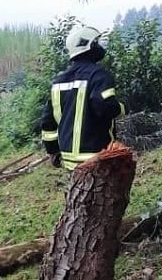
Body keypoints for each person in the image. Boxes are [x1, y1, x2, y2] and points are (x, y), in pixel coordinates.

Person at [40, 25, 127, 171]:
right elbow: (105, 107)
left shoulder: (58, 82)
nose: (99, 46)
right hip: (99, 158)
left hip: (69, 162)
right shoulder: (98, 75)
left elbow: (47, 123)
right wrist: (121, 108)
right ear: (88, 45)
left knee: (79, 193)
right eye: (96, 43)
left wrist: (53, 151)